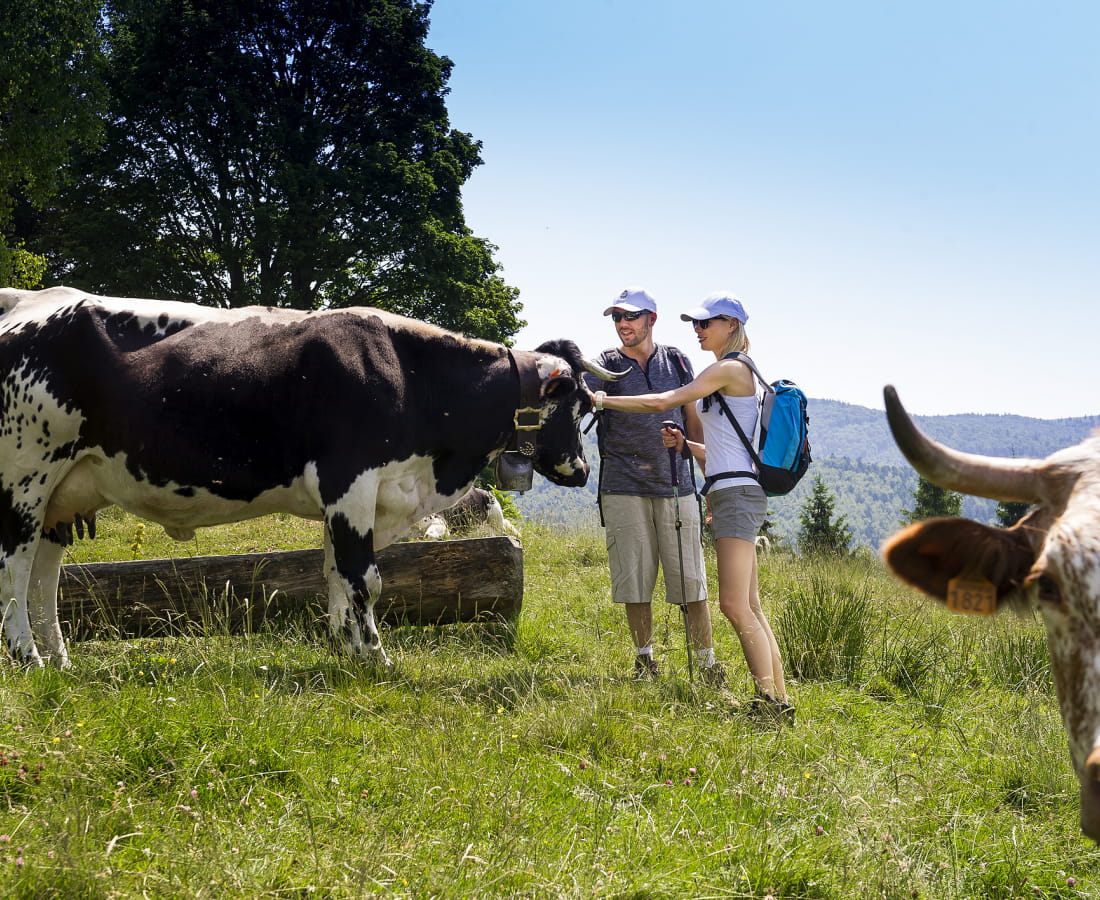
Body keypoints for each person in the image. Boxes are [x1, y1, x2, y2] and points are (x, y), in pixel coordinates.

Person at [591, 291, 793, 722]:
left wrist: (603, 401)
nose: (699, 331)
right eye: (695, 325)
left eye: (707, 324)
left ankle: (770, 705)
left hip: (736, 494)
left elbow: (665, 401)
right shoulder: (738, 370)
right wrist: (688, 446)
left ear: (732, 326)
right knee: (751, 606)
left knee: (734, 606)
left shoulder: (729, 367)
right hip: (732, 488)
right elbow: (724, 447)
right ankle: (779, 696)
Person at [586, 287, 725, 685]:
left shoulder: (677, 360)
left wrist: (704, 472)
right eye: (617, 318)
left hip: (677, 483)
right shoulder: (603, 366)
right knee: (634, 580)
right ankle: (644, 660)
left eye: (630, 316)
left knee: (692, 581)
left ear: (652, 319)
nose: (623, 324)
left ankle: (706, 664)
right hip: (622, 486)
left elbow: (692, 418)